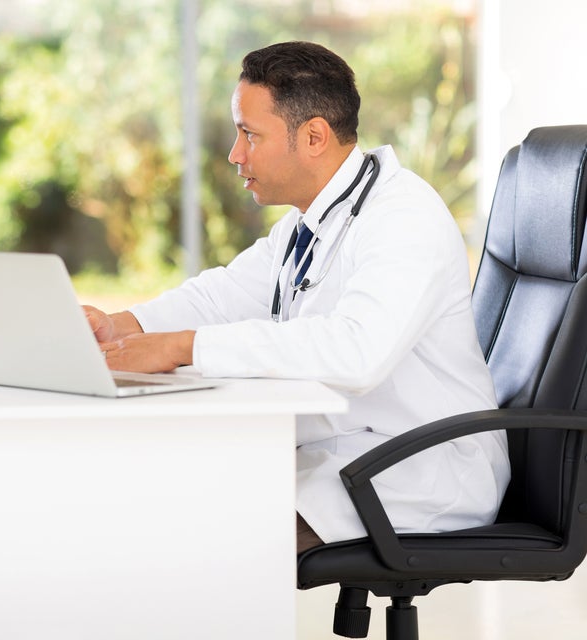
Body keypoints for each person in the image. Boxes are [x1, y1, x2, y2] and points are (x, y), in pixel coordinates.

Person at [84, 41, 510, 553]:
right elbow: (224, 295)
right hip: (353, 447)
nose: (235, 154)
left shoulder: (404, 217)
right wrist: (123, 324)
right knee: (177, 492)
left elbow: (357, 352)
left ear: (313, 136)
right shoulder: (313, 219)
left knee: (213, 536)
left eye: (249, 135)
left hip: (420, 466)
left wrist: (183, 348)